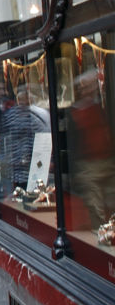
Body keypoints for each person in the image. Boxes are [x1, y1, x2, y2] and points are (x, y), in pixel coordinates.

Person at [67, 71, 115, 228]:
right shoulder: (75, 112)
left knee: (111, 201)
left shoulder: (99, 107)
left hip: (106, 163)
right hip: (88, 167)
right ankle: (101, 237)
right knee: (95, 207)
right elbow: (74, 144)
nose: (91, 88)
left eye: (93, 85)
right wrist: (76, 173)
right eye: (88, 86)